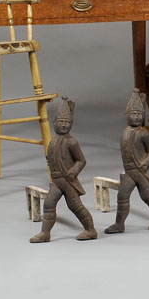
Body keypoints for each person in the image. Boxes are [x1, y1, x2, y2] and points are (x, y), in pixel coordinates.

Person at [30, 97, 96, 243]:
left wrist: (73, 171)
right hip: (56, 181)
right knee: (48, 204)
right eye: (61, 122)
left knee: (75, 206)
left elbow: (81, 160)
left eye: (67, 122)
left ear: (71, 124)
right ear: (55, 123)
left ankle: (90, 230)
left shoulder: (72, 142)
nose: (64, 125)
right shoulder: (53, 141)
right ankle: (45, 234)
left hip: (67, 180)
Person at [104, 89, 149, 234]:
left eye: (140, 115)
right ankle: (119, 224)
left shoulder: (143, 133)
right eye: (134, 114)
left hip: (140, 171)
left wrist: (146, 163)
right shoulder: (126, 131)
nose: (137, 117)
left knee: (148, 196)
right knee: (122, 196)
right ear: (127, 116)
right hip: (129, 171)